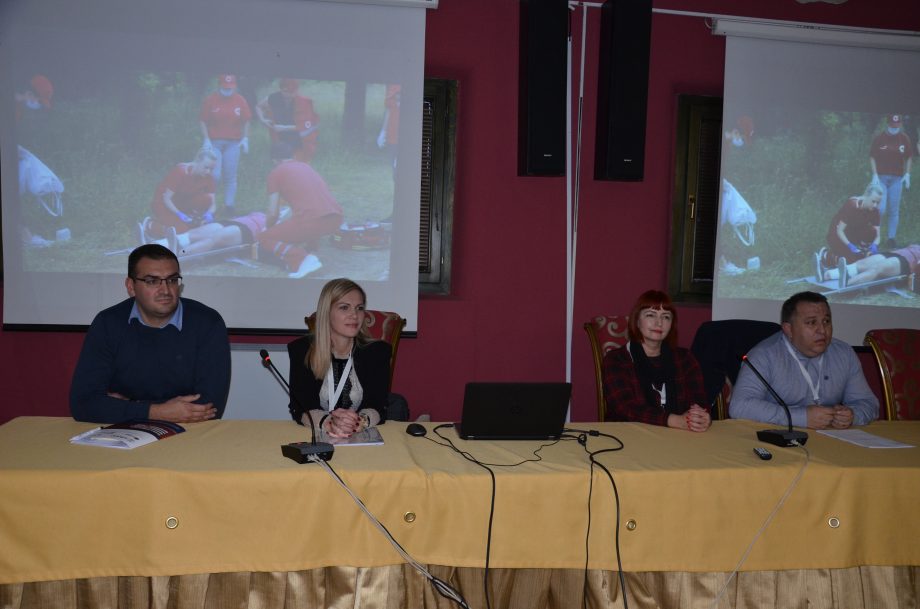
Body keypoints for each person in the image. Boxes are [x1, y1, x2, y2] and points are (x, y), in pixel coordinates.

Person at [69, 244, 231, 424]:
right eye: (152, 281)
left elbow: (209, 407)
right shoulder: (108, 323)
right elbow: (83, 403)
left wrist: (125, 406)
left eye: (172, 280)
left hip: (188, 432)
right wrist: (157, 412)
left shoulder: (207, 323)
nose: (166, 290)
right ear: (131, 286)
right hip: (122, 431)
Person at [730, 291, 878, 429]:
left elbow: (868, 403)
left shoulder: (844, 353)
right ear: (788, 329)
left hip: (830, 437)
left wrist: (852, 415)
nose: (822, 330)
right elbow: (740, 406)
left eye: (826, 321)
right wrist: (801, 417)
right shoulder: (764, 355)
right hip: (778, 435)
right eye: (811, 323)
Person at [287, 278, 389, 437]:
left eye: (359, 308)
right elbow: (300, 407)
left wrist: (358, 423)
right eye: (344, 307)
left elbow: (378, 406)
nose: (354, 315)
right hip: (317, 434)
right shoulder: (302, 350)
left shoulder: (377, 352)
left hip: (360, 434)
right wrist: (329, 423)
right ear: (326, 312)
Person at [602, 290, 711, 432]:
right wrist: (674, 420)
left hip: (680, 436)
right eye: (650, 315)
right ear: (637, 321)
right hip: (630, 435)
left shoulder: (685, 358)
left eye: (666, 317)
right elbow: (625, 408)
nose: (659, 323)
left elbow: (699, 400)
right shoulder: (616, 359)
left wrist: (701, 417)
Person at [257, 143, 344, 278]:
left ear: (275, 160)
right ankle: (311, 249)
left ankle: (301, 258)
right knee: (306, 218)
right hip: (336, 218)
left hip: (312, 222)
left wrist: (269, 229)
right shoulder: (306, 166)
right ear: (291, 156)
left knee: (264, 238)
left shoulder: (276, 172)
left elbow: (273, 213)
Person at [199, 74, 252, 212]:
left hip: (233, 142)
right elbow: (203, 120)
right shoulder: (210, 100)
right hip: (214, 142)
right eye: (225, 87)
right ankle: (209, 203)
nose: (228, 90)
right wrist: (206, 139)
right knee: (214, 175)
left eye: (230, 88)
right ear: (219, 86)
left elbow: (246, 120)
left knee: (230, 175)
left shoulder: (240, 100)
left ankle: (229, 205)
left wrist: (245, 138)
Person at [146, 148, 218, 238]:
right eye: (206, 167)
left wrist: (209, 214)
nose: (208, 171)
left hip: (182, 202)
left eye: (211, 169)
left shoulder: (209, 177)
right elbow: (166, 198)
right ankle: (151, 225)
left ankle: (192, 220)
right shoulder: (181, 171)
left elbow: (212, 203)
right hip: (163, 202)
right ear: (198, 161)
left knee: (206, 199)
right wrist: (179, 214)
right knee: (183, 232)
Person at [817, 183, 883, 277]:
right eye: (873, 201)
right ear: (866, 196)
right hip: (837, 234)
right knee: (851, 262)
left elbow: (877, 235)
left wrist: (875, 245)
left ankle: (863, 251)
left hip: (853, 233)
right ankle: (827, 256)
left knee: (872, 232)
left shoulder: (875, 211)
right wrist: (850, 245)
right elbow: (839, 231)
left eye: (878, 202)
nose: (875, 205)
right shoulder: (852, 205)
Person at [869, 114, 912, 248]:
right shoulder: (879, 138)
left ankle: (891, 238)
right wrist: (875, 174)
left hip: (897, 178)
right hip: (881, 178)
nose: (895, 128)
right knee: (880, 209)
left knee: (894, 209)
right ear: (888, 124)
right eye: (893, 126)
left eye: (897, 126)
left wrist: (908, 174)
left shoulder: (904, 138)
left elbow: (909, 157)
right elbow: (872, 156)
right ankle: (875, 237)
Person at [255, 78, 320, 163]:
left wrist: (284, 128)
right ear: (281, 89)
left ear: (296, 90)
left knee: (297, 162)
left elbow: (306, 126)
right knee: (280, 159)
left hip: (297, 137)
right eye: (286, 91)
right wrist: (262, 119)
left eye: (292, 92)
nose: (289, 95)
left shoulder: (303, 102)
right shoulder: (273, 97)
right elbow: (258, 106)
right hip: (279, 136)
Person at [824, 243, 920, 288]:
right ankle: (829, 274)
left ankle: (847, 282)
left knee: (877, 268)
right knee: (861, 263)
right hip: (898, 252)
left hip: (908, 262)